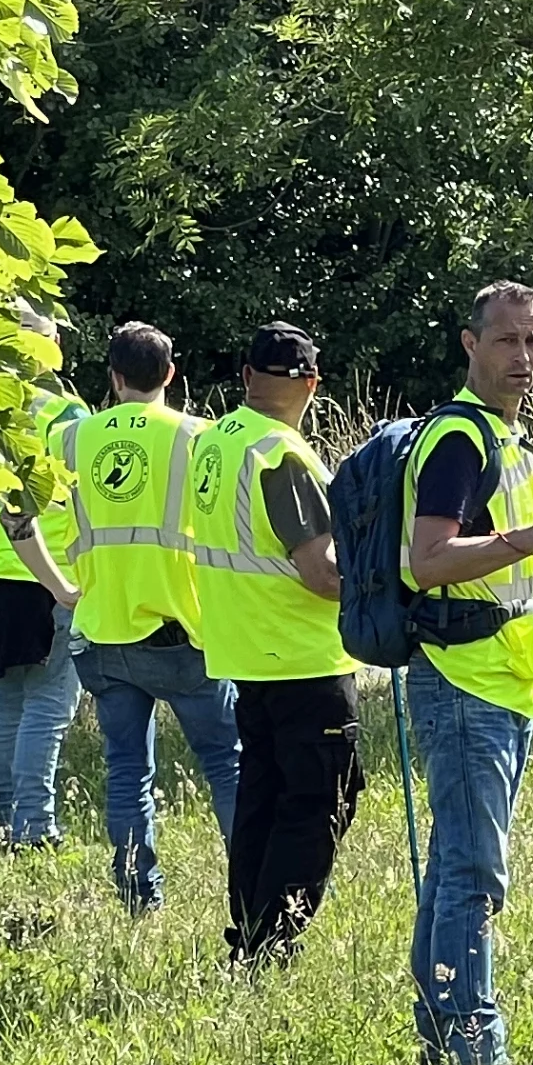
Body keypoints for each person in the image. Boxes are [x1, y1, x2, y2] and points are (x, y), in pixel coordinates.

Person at [401, 282, 533, 1065]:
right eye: (508, 340)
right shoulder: (458, 440)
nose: (524, 357)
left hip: (504, 679)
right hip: (463, 678)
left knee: (457, 863)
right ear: (470, 344)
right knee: (476, 873)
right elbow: (428, 560)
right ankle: (473, 1053)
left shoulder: (507, 437)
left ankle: (441, 1035)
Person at [186, 323, 361, 958]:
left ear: (246, 377)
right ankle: (274, 942)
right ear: (313, 384)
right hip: (302, 656)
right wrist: (387, 585)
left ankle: (247, 932)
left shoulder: (214, 441)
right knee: (320, 800)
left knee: (261, 799)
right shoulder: (281, 455)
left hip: (243, 652)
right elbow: (321, 574)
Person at [66, 321, 243, 915]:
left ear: (113, 377)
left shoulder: (73, 438)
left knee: (126, 771)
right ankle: (252, 892)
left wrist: (62, 589)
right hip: (183, 631)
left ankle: (139, 898)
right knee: (226, 764)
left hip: (102, 630)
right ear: (171, 374)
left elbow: (27, 522)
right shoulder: (199, 437)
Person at [0, 313, 89, 846]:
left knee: (5, 701)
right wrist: (67, 587)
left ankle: (4, 816)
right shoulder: (64, 413)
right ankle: (34, 826)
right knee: (48, 704)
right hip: (48, 572)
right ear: (50, 343)